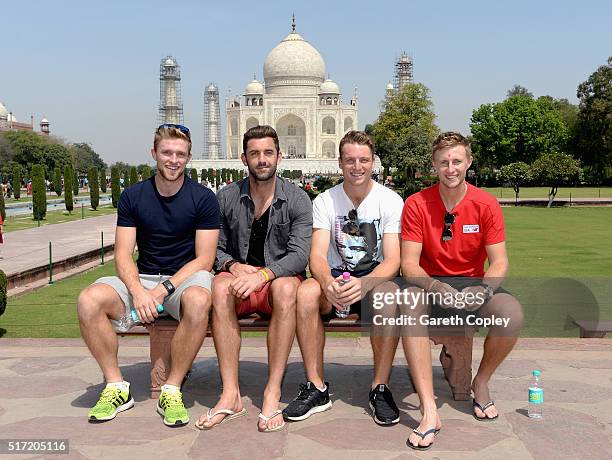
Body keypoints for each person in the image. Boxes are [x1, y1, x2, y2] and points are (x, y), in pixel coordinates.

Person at [77, 124, 220, 427]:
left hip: (182, 281)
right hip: (143, 277)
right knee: (89, 300)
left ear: (189, 157)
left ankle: (172, 387)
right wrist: (140, 292)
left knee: (198, 299)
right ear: (154, 153)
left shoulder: (203, 198)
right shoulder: (134, 196)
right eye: (167, 152)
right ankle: (116, 386)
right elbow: (123, 253)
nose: (173, 159)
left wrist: (164, 288)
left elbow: (205, 259)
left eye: (180, 154)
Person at [400, 131, 523, 450]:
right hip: (429, 284)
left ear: (468, 162)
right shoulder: (417, 204)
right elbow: (409, 266)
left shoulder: (485, 203)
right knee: (408, 302)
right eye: (444, 162)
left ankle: (480, 383)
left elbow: (499, 262)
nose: (450, 168)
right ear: (434, 166)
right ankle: (429, 410)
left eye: (457, 161)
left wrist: (482, 291)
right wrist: (436, 285)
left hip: (472, 285)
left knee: (510, 313)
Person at [284, 130, 404, 426]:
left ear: (372, 162)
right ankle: (316, 387)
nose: (357, 166)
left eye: (363, 160)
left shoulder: (389, 200)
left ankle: (380, 387)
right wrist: (326, 282)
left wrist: (365, 284)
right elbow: (318, 256)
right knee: (307, 293)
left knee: (389, 297)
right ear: (340, 163)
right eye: (350, 160)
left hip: (372, 277)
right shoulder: (326, 201)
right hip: (337, 278)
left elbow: (393, 259)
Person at [196, 125, 312, 433]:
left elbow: (300, 255)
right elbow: (215, 251)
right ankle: (230, 393)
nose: (262, 160)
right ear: (243, 158)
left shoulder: (297, 198)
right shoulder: (227, 197)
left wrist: (262, 275)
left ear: (279, 156)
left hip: (274, 285)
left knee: (288, 288)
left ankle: (272, 390)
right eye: (255, 154)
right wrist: (233, 266)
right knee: (219, 287)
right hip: (239, 284)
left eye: (268, 153)